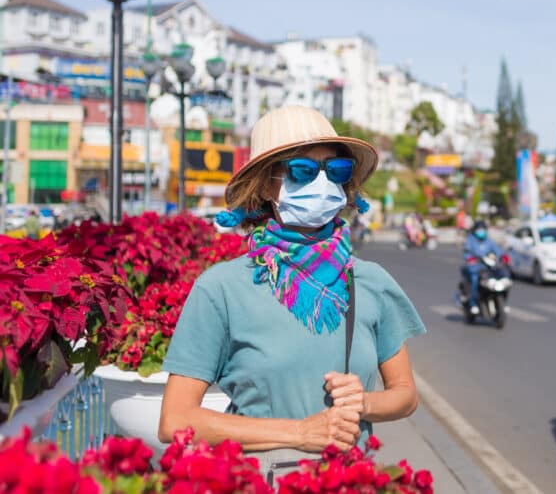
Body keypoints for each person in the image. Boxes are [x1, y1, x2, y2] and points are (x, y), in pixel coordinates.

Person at [159, 105, 426, 475]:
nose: (322, 183)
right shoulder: (219, 289)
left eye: (336, 170)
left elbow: (406, 394)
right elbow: (175, 420)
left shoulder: (372, 280)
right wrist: (300, 433)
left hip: (349, 481)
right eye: (302, 170)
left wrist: (363, 403)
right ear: (268, 185)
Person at [461, 220, 505, 315]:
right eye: (479, 230)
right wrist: (471, 258)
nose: (481, 232)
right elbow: (467, 252)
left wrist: (502, 257)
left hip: (488, 267)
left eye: (483, 230)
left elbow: (498, 251)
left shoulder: (489, 241)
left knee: (501, 277)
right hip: (475, 267)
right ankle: (473, 304)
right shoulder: (471, 240)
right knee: (475, 280)